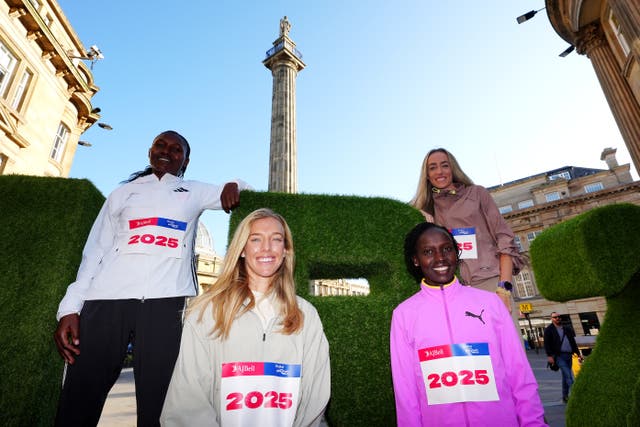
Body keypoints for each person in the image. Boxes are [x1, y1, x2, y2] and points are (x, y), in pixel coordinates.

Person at [53, 130, 251, 426]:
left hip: (166, 303)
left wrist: (236, 183)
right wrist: (70, 307)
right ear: (149, 151)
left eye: (176, 149)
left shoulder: (193, 191)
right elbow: (95, 251)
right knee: (79, 397)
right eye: (161, 145)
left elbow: (240, 190)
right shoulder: (122, 193)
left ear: (185, 161)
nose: (166, 151)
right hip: (105, 299)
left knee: (160, 404)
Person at [160, 208, 331, 427]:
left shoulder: (306, 315)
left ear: (286, 250)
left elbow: (315, 398)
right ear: (241, 249)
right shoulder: (206, 312)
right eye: (256, 239)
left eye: (276, 239)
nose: (267, 247)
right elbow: (187, 402)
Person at [390, 222, 546, 426]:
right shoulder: (403, 315)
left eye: (447, 249)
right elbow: (406, 391)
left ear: (457, 253)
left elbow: (519, 374)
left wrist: (534, 423)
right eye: (428, 251)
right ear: (416, 260)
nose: (440, 258)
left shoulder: (491, 304)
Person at [410, 148, 524, 328]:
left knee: (506, 350)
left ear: (453, 168)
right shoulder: (425, 209)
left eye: (444, 165)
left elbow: (505, 239)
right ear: (427, 175)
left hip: (490, 283)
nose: (439, 171)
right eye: (433, 168)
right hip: (450, 291)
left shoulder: (477, 194)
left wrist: (504, 290)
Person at [543, 312, 583, 403]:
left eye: (558, 317)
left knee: (565, 376)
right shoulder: (549, 330)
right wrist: (549, 356)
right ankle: (577, 396)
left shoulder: (567, 329)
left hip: (569, 355)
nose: (557, 318)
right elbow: (546, 344)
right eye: (555, 317)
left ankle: (565, 396)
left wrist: (578, 353)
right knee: (569, 375)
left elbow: (572, 342)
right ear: (552, 319)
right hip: (558, 356)